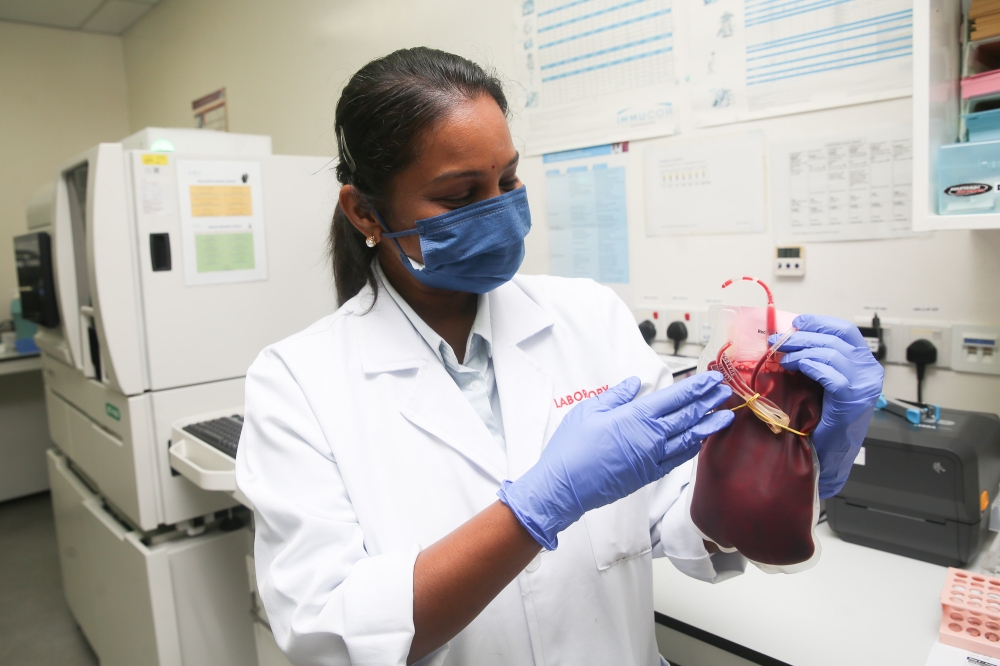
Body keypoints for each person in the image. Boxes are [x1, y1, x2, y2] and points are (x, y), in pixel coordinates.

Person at [235, 47, 883, 666]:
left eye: (509, 179)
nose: (503, 212)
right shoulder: (298, 382)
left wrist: (801, 461)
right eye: (460, 196)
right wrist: (538, 507)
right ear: (365, 212)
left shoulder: (587, 317)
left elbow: (683, 517)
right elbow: (334, 633)